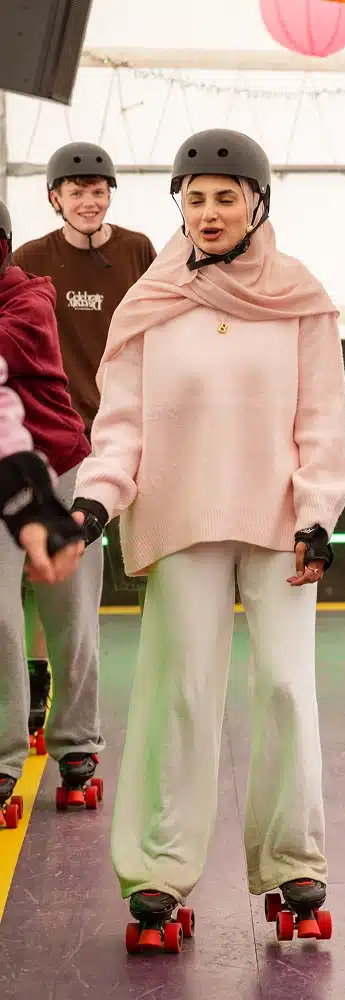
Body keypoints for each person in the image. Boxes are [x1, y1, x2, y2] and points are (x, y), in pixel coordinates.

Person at [70, 128, 345, 951]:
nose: (208, 212)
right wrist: (95, 501)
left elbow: (322, 421)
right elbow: (120, 427)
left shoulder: (300, 296)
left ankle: (293, 860)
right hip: (181, 514)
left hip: (278, 523)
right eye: (194, 197)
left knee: (284, 690)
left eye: (225, 196)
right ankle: (159, 869)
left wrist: (318, 513)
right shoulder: (151, 303)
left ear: (257, 203)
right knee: (180, 692)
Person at [11, 142, 157, 740]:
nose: (90, 201)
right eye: (77, 193)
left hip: (126, 426)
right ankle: (39, 675)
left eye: (99, 191)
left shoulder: (137, 251)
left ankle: (165, 669)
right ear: (55, 200)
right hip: (59, 437)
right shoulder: (30, 259)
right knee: (50, 568)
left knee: (150, 554)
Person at [0, 198, 89, 829]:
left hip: (56, 467)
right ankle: (4, 759)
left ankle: (77, 746)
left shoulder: (30, 300)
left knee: (70, 619)